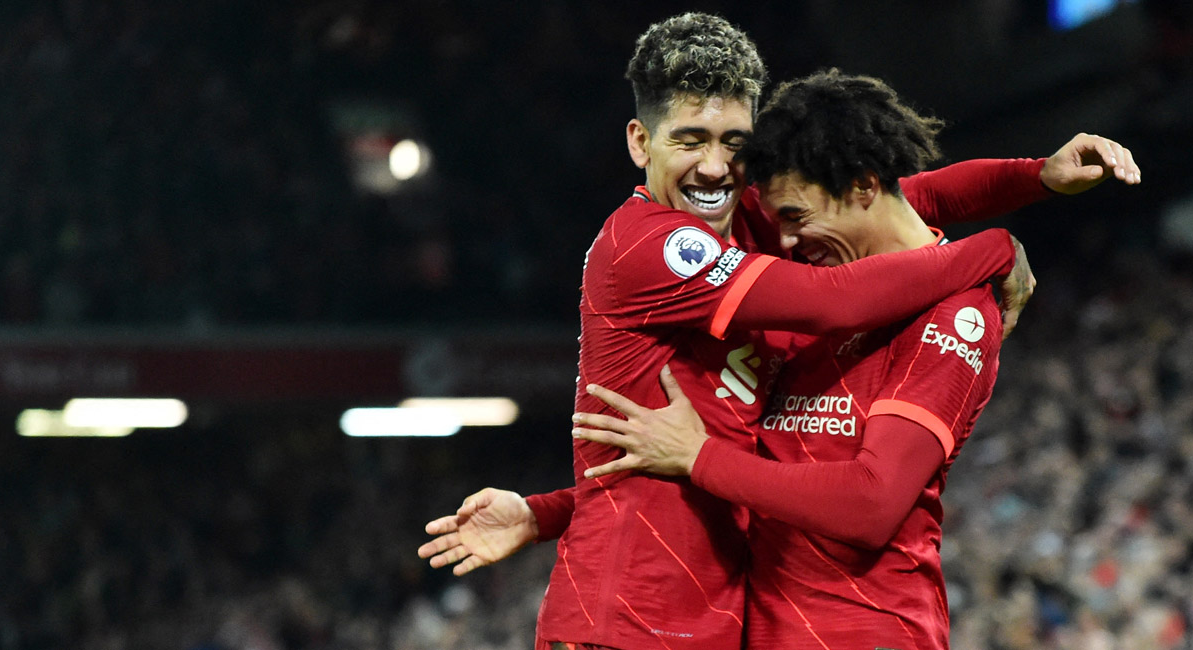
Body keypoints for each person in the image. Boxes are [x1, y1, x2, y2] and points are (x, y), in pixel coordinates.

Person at [418, 14, 1139, 650]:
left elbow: (904, 193)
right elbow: (832, 302)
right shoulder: (655, 243)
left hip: (728, 619)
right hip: (633, 618)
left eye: (732, 143)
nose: (712, 166)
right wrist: (991, 251)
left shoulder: (767, 227)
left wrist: (1036, 176)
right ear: (640, 142)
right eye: (688, 139)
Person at [566, 68, 1058, 649]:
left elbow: (872, 503)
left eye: (796, 218)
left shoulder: (956, 314)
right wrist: (549, 513)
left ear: (862, 187)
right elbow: (750, 461)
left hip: (866, 631)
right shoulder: (822, 297)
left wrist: (996, 245)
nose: (789, 242)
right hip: (765, 629)